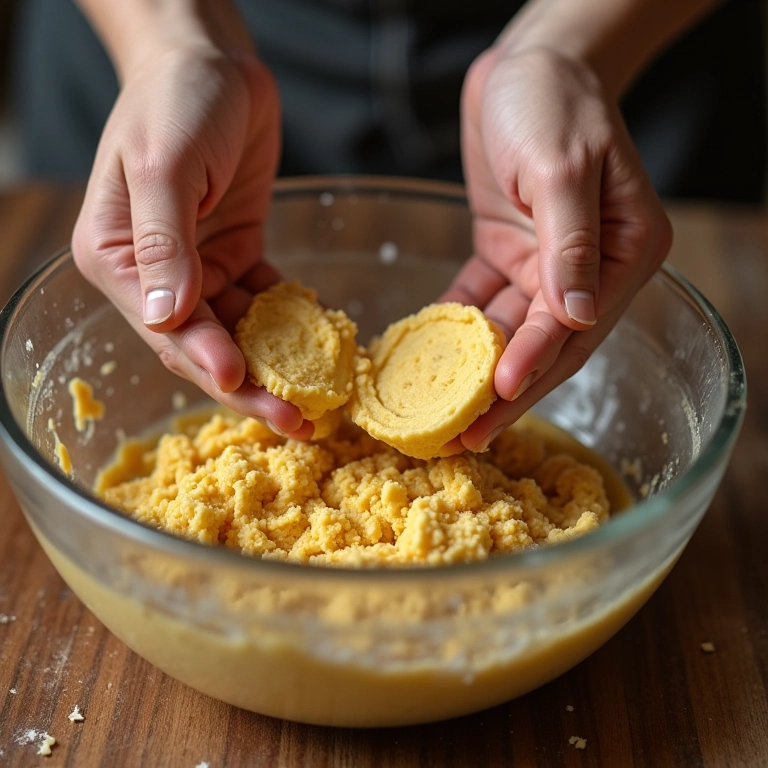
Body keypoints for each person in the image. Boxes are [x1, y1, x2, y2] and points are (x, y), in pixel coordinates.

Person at [11, 0, 767, 451]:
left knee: (583, 293)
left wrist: (571, 51)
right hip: (167, 49)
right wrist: (172, 42)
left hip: (629, 45)